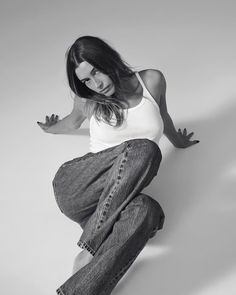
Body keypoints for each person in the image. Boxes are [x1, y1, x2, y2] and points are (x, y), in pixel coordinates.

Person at [37, 35, 199, 295]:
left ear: (108, 59)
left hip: (110, 205)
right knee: (146, 149)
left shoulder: (151, 81)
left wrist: (178, 141)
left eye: (96, 71)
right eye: (86, 80)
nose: (96, 84)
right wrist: (50, 128)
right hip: (79, 187)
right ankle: (88, 252)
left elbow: (163, 115)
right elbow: (72, 122)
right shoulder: (89, 99)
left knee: (148, 211)